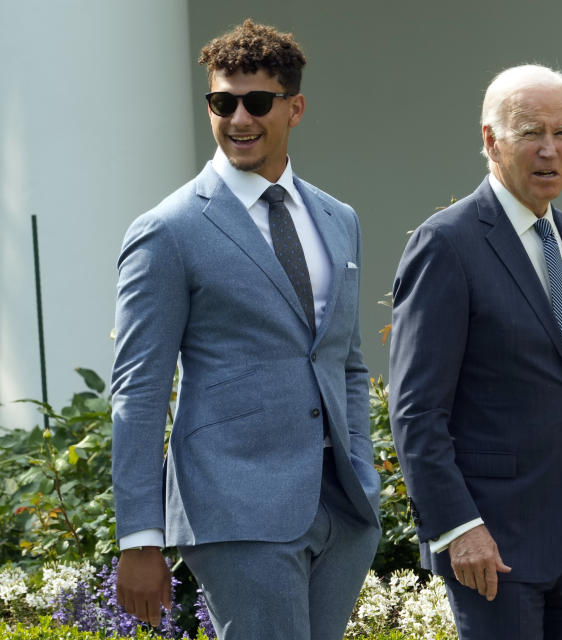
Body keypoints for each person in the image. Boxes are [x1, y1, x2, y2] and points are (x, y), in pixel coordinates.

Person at [109, 19, 379, 640]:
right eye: (221, 103)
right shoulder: (167, 231)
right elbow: (139, 390)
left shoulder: (339, 219)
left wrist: (362, 474)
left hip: (341, 508)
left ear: (295, 107)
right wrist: (141, 536)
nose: (238, 119)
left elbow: (347, 361)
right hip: (235, 510)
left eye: (256, 102)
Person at [389, 64, 562, 639]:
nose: (549, 150)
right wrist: (457, 526)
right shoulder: (446, 244)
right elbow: (417, 410)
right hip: (494, 549)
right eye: (530, 133)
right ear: (490, 140)